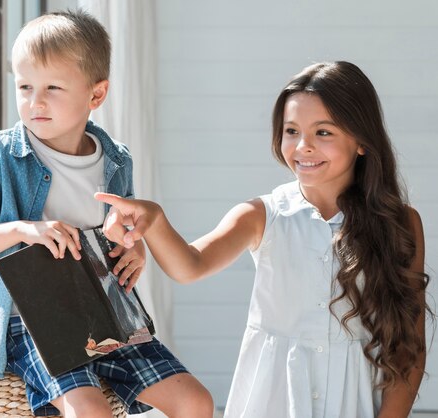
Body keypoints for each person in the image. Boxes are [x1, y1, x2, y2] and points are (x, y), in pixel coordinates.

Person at [96, 61, 432, 418]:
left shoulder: (400, 224)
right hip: (274, 401)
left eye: (323, 133)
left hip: (355, 404)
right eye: (291, 130)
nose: (303, 147)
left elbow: (408, 348)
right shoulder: (262, 215)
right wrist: (156, 220)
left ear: (362, 141)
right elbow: (190, 265)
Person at [0, 9, 213, 418]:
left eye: (53, 87)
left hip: (108, 315)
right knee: (90, 411)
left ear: (96, 94)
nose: (34, 102)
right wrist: (24, 229)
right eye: (24, 86)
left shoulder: (116, 160)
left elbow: (126, 229)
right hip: (33, 321)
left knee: (196, 402)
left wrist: (135, 248)